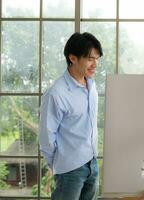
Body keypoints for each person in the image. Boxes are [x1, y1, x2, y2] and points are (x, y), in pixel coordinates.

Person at [39, 32, 103, 200]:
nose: (95, 64)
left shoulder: (92, 86)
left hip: (92, 162)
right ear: (73, 58)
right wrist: (60, 165)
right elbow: (46, 136)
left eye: (97, 58)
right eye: (90, 59)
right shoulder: (56, 93)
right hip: (69, 169)